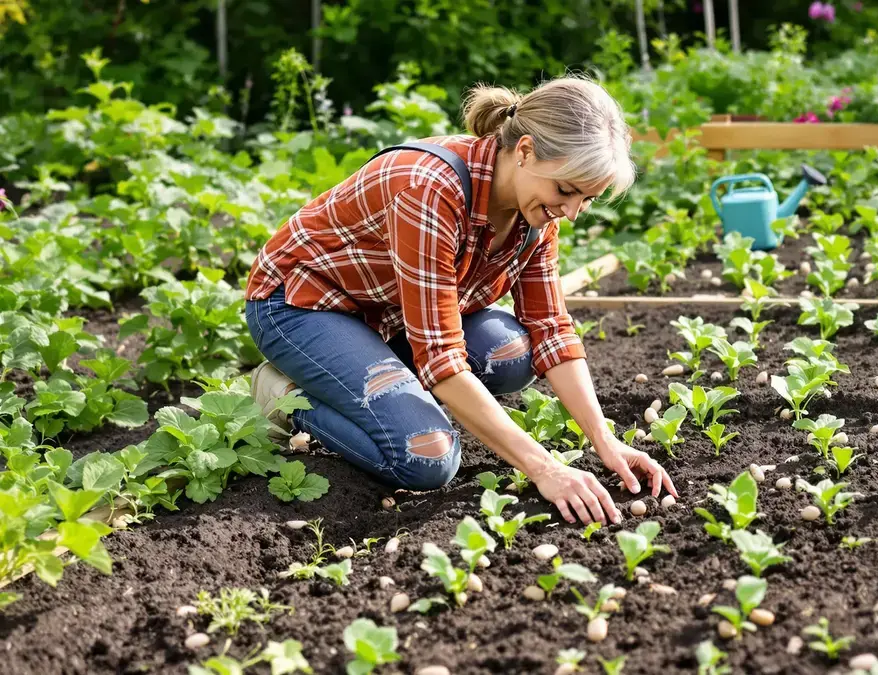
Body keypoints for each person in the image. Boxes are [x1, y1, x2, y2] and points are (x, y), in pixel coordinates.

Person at [242, 75, 677, 526]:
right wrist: (545, 468)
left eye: (587, 199)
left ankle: (368, 381)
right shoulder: (430, 189)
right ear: (525, 151)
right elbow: (442, 358)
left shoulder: (537, 208)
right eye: (566, 191)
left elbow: (551, 329)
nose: (569, 212)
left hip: (389, 315)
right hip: (302, 305)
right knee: (426, 457)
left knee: (511, 354)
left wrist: (606, 442)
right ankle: (288, 396)